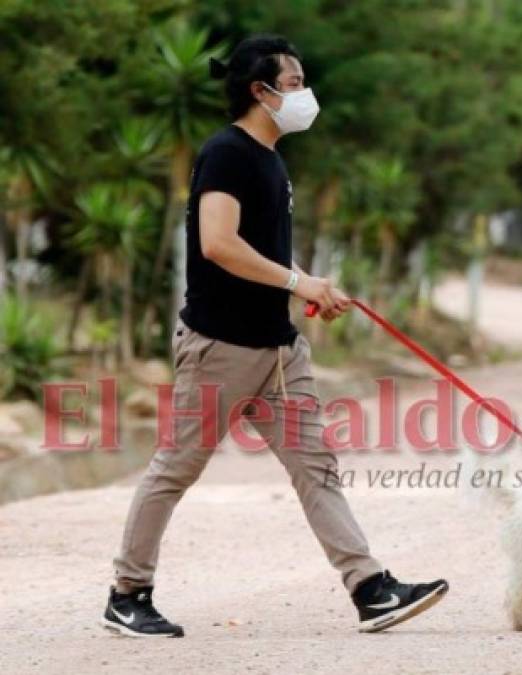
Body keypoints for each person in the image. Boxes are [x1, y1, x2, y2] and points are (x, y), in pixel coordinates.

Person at [102, 34, 448, 638]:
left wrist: (310, 291)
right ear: (260, 92)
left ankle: (370, 589)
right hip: (221, 349)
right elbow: (217, 243)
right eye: (293, 84)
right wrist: (299, 281)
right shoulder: (227, 154)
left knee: (316, 468)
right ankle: (128, 594)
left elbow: (264, 256)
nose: (304, 95)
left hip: (279, 351)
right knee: (175, 468)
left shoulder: (269, 157)